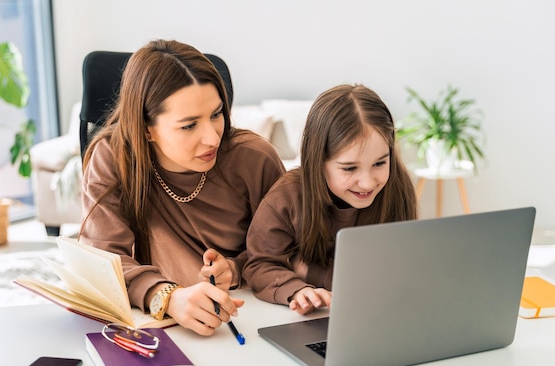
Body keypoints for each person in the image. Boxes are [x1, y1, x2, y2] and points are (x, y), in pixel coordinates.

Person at [79, 39, 285, 335]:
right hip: (158, 328)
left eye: (216, 115)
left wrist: (235, 268)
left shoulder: (255, 159)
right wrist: (166, 296)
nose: (213, 138)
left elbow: (290, 246)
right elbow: (102, 263)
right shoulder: (112, 157)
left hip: (251, 317)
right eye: (189, 125)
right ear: (145, 129)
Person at [243, 84, 418, 315]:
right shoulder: (288, 195)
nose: (367, 182)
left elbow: (396, 269)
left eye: (379, 163)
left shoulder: (396, 187)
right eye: (349, 168)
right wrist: (297, 289)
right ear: (318, 162)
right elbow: (258, 265)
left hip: (377, 313)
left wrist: (307, 271)